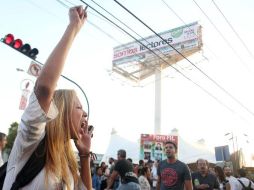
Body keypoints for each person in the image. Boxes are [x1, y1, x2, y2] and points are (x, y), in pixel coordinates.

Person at [3, 6, 92, 190]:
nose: (85, 115)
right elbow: (44, 88)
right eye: (78, 108)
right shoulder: (31, 142)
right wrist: (73, 27)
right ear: (60, 111)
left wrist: (85, 156)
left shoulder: (68, 163)